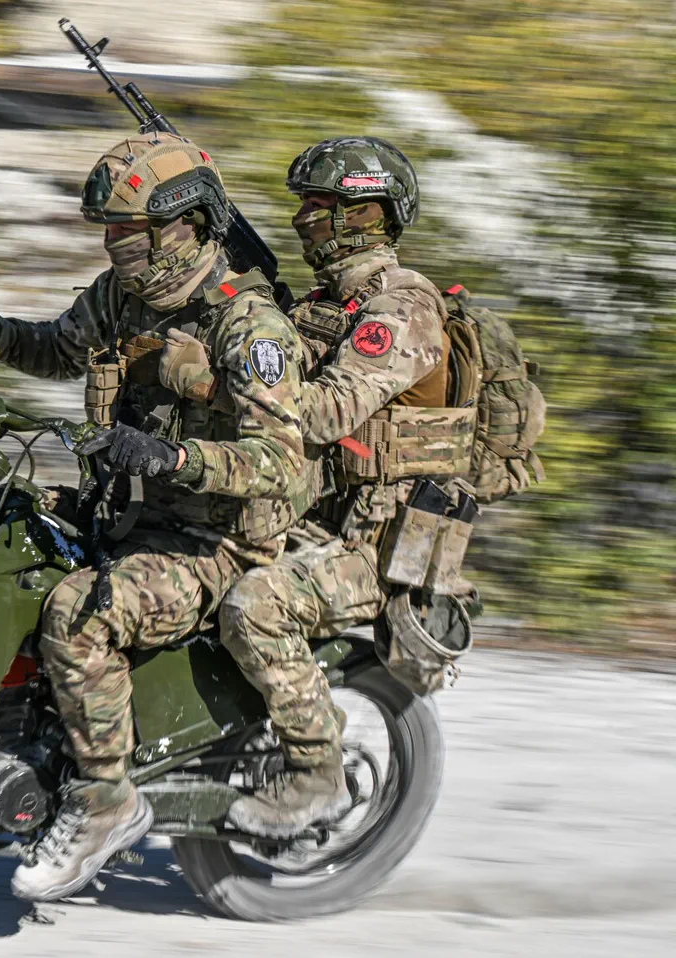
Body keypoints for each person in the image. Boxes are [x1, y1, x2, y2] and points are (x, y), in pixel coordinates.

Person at [0, 132, 319, 901]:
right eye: (111, 231)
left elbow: (280, 462)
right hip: (131, 516)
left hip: (218, 542)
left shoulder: (248, 326)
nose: (115, 246)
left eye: (131, 233)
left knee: (78, 614)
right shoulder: (121, 297)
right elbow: (57, 350)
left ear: (186, 226)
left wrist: (173, 458)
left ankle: (106, 800)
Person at [203, 136, 473, 838]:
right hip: (315, 520)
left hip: (377, 548)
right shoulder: (327, 303)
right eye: (305, 204)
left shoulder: (403, 308)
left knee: (255, 607)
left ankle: (318, 776)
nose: (303, 218)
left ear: (365, 214)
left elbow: (323, 413)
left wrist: (223, 381)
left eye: (321, 205)